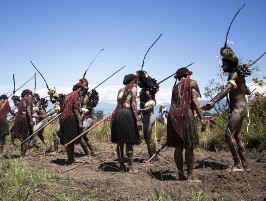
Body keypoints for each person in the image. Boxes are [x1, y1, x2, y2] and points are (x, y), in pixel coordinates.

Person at [202, 46, 251, 172]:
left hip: (238, 109)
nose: (222, 66)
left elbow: (226, 90)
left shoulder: (234, 75)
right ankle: (245, 165)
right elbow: (247, 91)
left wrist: (213, 101)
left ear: (229, 64)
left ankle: (238, 164)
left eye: (224, 64)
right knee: (237, 136)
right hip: (242, 108)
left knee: (228, 134)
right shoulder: (239, 75)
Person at [167, 67, 206, 182]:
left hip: (173, 115)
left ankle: (180, 175)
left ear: (178, 77)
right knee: (189, 146)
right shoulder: (192, 82)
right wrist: (202, 118)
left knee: (178, 146)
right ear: (187, 75)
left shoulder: (175, 87)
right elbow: (194, 100)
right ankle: (190, 176)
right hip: (185, 114)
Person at [111, 74, 142, 172]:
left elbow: (118, 103)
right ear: (133, 81)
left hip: (119, 114)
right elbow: (133, 105)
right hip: (128, 114)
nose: (137, 83)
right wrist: (137, 119)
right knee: (129, 141)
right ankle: (130, 167)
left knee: (120, 141)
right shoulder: (133, 89)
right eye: (136, 81)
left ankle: (121, 165)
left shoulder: (120, 90)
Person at [60, 83, 87, 164]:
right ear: (79, 90)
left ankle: (71, 158)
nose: (82, 93)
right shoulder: (75, 95)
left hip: (65, 117)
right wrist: (79, 122)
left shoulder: (68, 95)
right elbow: (75, 109)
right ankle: (70, 159)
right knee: (71, 140)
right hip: (71, 118)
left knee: (70, 139)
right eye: (82, 91)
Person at [136, 70, 159, 159]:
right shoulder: (144, 91)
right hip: (147, 116)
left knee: (147, 138)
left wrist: (141, 110)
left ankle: (152, 156)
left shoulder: (148, 92)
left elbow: (151, 105)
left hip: (149, 117)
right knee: (148, 138)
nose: (139, 82)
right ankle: (155, 154)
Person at [79, 78, 98, 156]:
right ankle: (92, 151)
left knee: (81, 136)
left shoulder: (87, 96)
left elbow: (84, 109)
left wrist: (79, 120)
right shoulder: (81, 96)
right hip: (83, 118)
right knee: (83, 135)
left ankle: (88, 153)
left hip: (88, 118)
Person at [14, 89, 34, 157]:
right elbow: (28, 110)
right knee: (27, 138)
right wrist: (31, 120)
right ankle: (22, 156)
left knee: (23, 137)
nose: (31, 95)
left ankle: (22, 155)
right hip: (25, 118)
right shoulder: (28, 97)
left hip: (20, 118)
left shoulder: (22, 99)